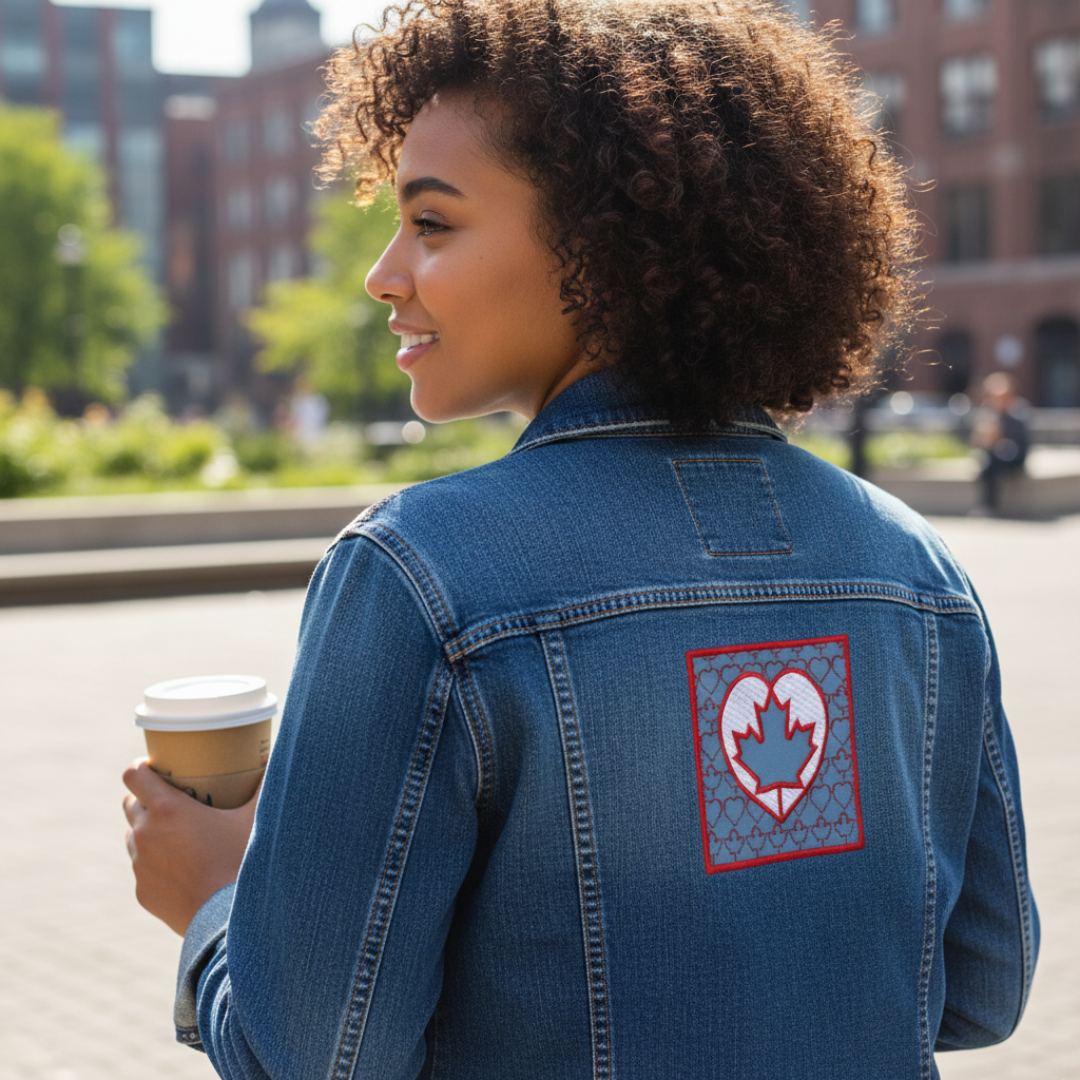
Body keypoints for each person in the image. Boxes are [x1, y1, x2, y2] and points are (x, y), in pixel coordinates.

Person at [122, 2, 1038, 1077]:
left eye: (433, 222)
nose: (382, 273)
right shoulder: (917, 572)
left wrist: (219, 905)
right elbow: (981, 984)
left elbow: (318, 1056)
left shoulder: (424, 577)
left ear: (601, 244)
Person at [972, 371, 1030, 514]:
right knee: (988, 463)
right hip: (996, 459)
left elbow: (1020, 445)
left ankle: (989, 506)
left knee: (993, 461)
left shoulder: (1018, 412)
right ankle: (987, 505)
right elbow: (978, 442)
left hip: (1015, 457)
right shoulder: (990, 415)